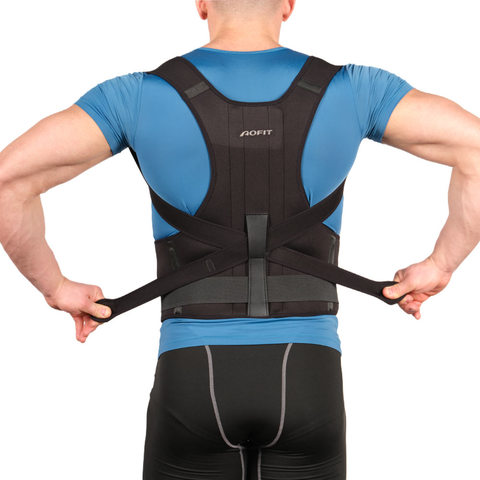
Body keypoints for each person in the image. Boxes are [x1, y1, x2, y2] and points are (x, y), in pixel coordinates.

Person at [0, 0, 479, 478]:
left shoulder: (136, 96)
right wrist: (441, 264)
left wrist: (55, 287)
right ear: (288, 5)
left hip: (192, 375)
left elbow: (9, 182)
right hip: (309, 375)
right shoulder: (355, 90)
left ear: (201, 4)